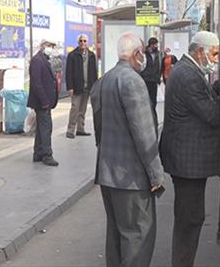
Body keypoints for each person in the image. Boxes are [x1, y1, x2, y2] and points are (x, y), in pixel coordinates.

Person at [89, 32, 164, 267]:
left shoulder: (105, 80)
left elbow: (99, 128)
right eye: (141, 53)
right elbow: (145, 135)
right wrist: (156, 174)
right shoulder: (132, 81)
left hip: (108, 175)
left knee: (116, 237)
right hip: (131, 178)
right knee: (138, 237)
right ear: (136, 54)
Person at [160, 31, 220, 267]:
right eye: (214, 54)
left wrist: (215, 89)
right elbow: (213, 115)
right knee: (189, 220)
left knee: (189, 218)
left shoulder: (188, 70)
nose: (216, 59)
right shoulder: (189, 76)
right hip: (187, 163)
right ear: (200, 52)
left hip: (185, 159)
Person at [27, 39, 59, 166]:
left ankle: (38, 153)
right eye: (49, 45)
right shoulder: (37, 60)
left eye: (52, 46)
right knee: (46, 128)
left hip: (45, 101)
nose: (51, 48)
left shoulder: (43, 60)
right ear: (43, 46)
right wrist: (44, 100)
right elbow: (37, 82)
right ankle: (47, 154)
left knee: (41, 128)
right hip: (42, 102)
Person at [64, 34, 98, 139]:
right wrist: (70, 87)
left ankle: (80, 129)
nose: (83, 43)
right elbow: (68, 72)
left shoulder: (92, 55)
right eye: (81, 41)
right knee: (75, 108)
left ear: (87, 42)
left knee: (83, 109)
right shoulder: (72, 55)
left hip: (88, 87)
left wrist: (95, 86)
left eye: (84, 41)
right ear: (78, 42)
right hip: (77, 87)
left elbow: (94, 72)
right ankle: (70, 130)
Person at [139, 37, 161, 123]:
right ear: (151, 45)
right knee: (146, 99)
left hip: (154, 80)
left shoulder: (157, 54)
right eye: (155, 44)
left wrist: (158, 77)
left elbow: (158, 66)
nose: (156, 46)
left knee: (153, 100)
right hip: (146, 80)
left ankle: (153, 117)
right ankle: (147, 117)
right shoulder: (145, 53)